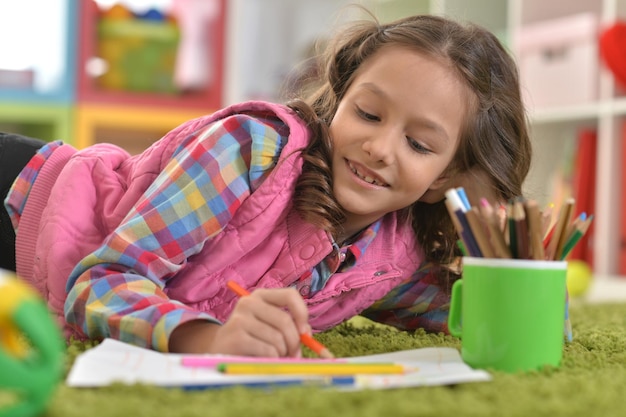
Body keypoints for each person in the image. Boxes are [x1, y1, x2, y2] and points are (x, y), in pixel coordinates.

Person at [1, 13, 531, 357]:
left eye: (418, 144)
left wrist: (526, 293)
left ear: (444, 178)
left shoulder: (392, 257)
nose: (380, 147)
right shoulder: (250, 149)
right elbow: (101, 282)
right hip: (27, 200)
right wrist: (208, 339)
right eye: (368, 113)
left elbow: (449, 308)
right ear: (341, 99)